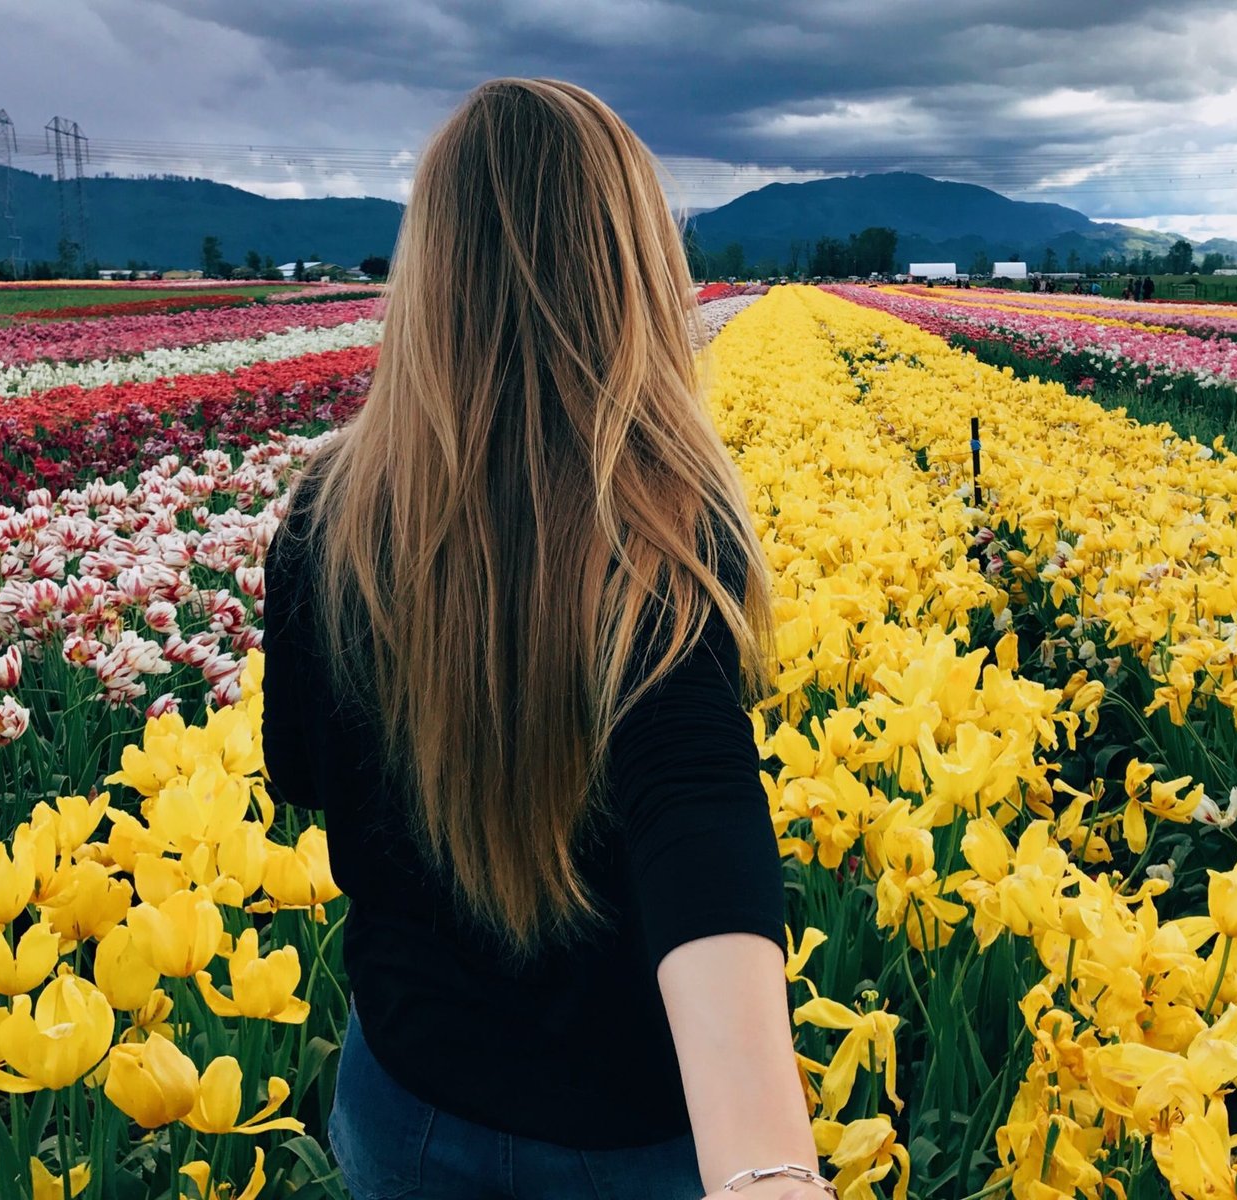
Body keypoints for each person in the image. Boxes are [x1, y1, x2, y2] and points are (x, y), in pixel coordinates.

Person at [262, 79, 826, 1200]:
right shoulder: (665, 523)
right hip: (627, 1137)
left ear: (429, 273)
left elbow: (301, 775)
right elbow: (695, 810)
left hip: (408, 1098)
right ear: (631, 267)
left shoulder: (327, 517)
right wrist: (764, 1169)